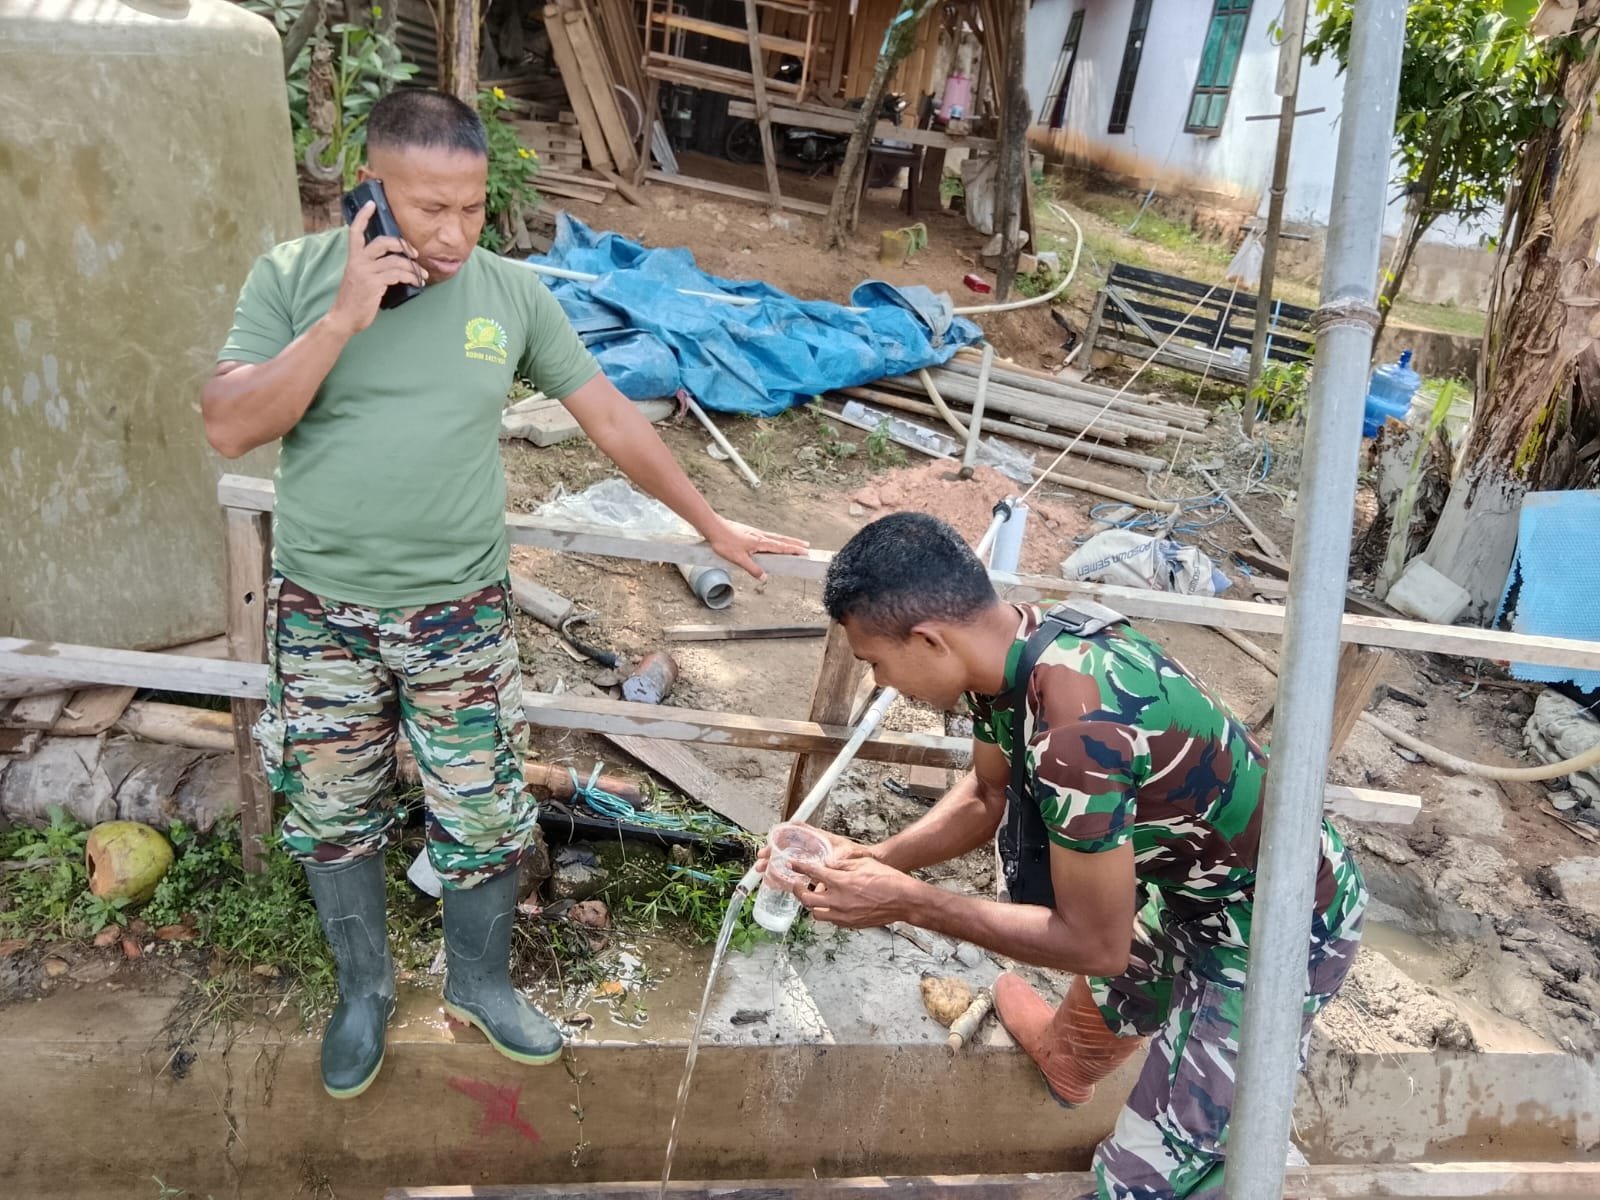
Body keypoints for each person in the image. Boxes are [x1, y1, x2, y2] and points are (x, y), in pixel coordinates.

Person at [202, 88, 805, 1099]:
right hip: (323, 613)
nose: (450, 233)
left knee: (481, 816)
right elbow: (229, 424)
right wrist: (343, 320)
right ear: (370, 188)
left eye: (472, 207)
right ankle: (364, 991)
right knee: (332, 811)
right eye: (427, 208)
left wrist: (708, 523)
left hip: (460, 615)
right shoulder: (293, 278)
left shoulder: (510, 295)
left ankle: (480, 984)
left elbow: (609, 414)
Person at [786, 512, 1365, 1200]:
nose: (882, 683)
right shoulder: (1016, 654)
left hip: (1280, 929)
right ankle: (1068, 1061)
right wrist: (877, 859)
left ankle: (1220, 1155)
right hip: (1190, 891)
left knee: (1137, 1180)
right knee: (1083, 1042)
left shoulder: (1075, 735)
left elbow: (1095, 944)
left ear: (928, 638)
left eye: (876, 662)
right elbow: (982, 794)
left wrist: (909, 902)